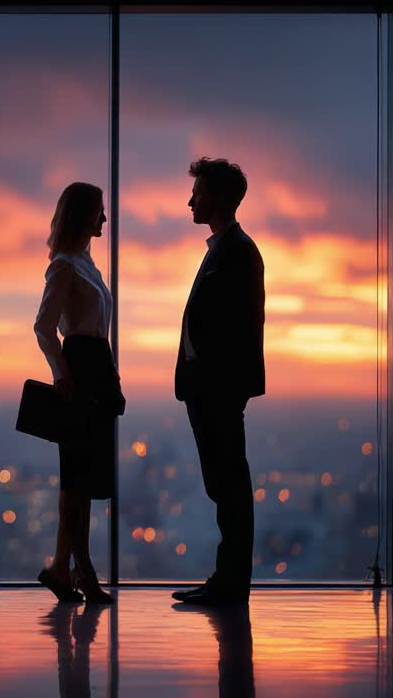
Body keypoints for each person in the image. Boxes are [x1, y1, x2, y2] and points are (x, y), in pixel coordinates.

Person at [171, 157, 265, 606]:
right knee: (224, 484)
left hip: (217, 389)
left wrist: (216, 380)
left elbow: (239, 326)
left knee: (228, 485)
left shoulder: (237, 252)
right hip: (209, 387)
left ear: (221, 198)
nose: (191, 201)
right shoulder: (226, 249)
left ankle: (230, 583)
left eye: (199, 192)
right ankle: (227, 580)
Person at [34, 181, 123, 605]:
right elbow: (43, 326)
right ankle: (81, 570)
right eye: (98, 210)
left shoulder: (85, 264)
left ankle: (63, 568)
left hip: (96, 370)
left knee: (81, 478)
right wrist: (62, 374)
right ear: (83, 215)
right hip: (81, 372)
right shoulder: (65, 266)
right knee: (76, 476)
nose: (104, 217)